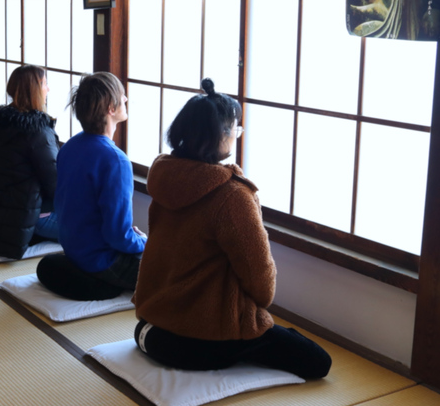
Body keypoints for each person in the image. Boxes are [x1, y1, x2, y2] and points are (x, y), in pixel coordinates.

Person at [133, 78, 331, 380]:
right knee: (318, 362)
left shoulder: (165, 176)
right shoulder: (231, 195)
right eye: (235, 130)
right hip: (205, 339)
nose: (237, 137)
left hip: (151, 327)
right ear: (221, 135)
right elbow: (260, 279)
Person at [38, 72, 146, 298]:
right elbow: (118, 236)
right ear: (110, 107)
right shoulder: (115, 160)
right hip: (102, 260)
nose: (125, 100)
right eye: (122, 96)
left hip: (75, 249)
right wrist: (144, 242)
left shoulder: (70, 146)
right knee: (173, 271)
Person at [0, 65, 59, 259]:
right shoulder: (38, 131)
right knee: (94, 229)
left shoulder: (4, 125)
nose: (49, 89)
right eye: (45, 84)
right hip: (32, 214)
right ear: (35, 89)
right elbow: (54, 185)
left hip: (0, 211)